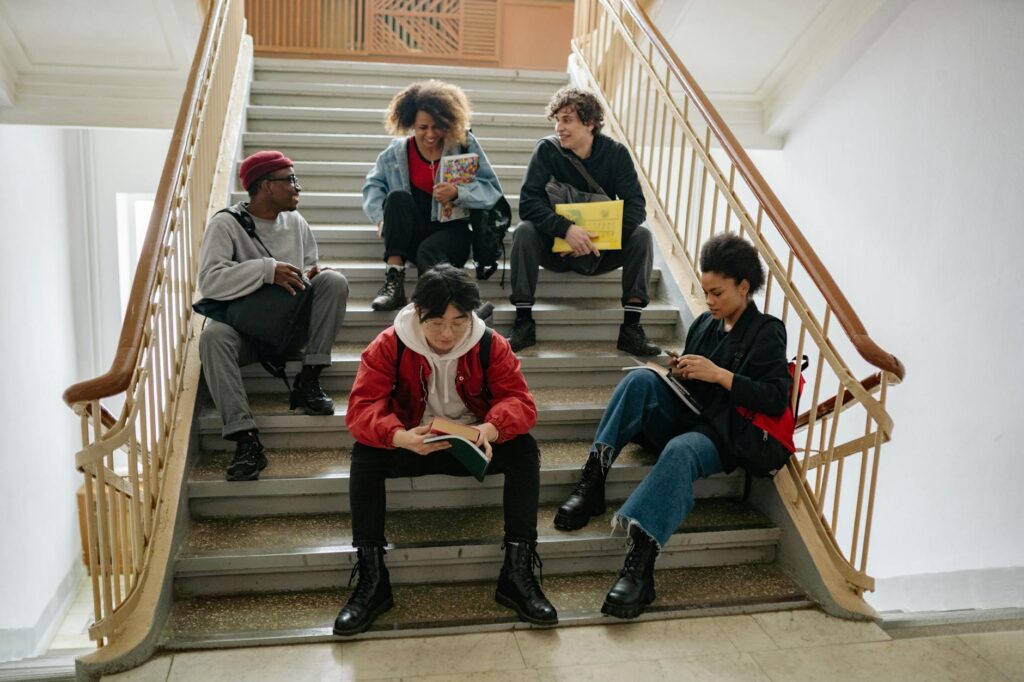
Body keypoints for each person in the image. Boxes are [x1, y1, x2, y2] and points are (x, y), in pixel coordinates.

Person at [554, 233, 791, 619]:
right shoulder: (703, 324)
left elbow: (774, 398)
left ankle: (641, 564)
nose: (710, 301)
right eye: (706, 292)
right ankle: (593, 480)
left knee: (681, 450)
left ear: (744, 287)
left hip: (723, 435)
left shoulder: (767, 330)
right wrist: (680, 371)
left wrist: (720, 375)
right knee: (639, 380)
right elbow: (693, 383)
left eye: (717, 293)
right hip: (691, 411)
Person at [335, 264, 557, 635]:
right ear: (418, 312)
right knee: (366, 455)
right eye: (436, 322)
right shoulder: (389, 344)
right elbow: (361, 411)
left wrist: (489, 428)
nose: (447, 333)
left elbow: (520, 402)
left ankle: (516, 573)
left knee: (524, 450)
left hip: (469, 442)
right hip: (414, 441)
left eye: (458, 322)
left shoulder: (490, 343)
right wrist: (400, 436)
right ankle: (373, 579)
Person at [198, 151, 349, 482]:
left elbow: (309, 263)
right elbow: (209, 281)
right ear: (266, 186)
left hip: (291, 327)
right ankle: (245, 439)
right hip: (247, 331)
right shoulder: (226, 224)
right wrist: (266, 270)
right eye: (290, 180)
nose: (298, 187)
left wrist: (315, 271)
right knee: (212, 337)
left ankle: (308, 380)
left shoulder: (296, 221)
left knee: (334, 281)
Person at [508, 86, 660, 356]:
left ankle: (631, 329)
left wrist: (591, 239)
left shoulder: (616, 155)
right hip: (556, 248)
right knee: (524, 231)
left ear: (590, 123)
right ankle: (523, 321)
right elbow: (529, 203)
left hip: (600, 250)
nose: (559, 127)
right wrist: (566, 231)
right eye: (556, 120)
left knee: (642, 236)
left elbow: (636, 208)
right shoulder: (547, 150)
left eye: (567, 120)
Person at [362, 80, 503, 311]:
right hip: (414, 229)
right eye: (422, 127)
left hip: (453, 232)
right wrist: (380, 218)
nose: (430, 134)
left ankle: (460, 308)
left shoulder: (464, 145)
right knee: (397, 198)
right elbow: (373, 186)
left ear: (448, 123)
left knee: (428, 252)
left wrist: (459, 192)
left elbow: (491, 188)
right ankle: (394, 283)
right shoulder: (396, 153)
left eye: (437, 127)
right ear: (411, 125)